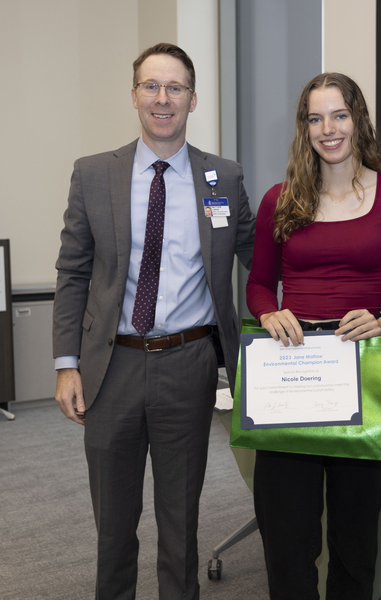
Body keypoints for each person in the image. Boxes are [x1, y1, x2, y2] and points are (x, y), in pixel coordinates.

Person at [52, 43, 255, 600]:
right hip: (110, 366)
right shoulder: (94, 174)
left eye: (175, 88)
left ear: (193, 99)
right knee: (113, 526)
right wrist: (67, 365)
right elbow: (72, 272)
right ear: (135, 94)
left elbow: (260, 258)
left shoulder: (224, 178)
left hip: (188, 365)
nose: (163, 99)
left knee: (180, 522)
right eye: (151, 86)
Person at [246, 72, 381, 599]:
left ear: (359, 120)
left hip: (362, 384)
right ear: (304, 128)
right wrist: (267, 314)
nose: (328, 129)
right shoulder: (279, 199)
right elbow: (259, 284)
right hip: (291, 381)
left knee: (354, 547)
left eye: (339, 115)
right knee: (287, 544)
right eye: (315, 118)